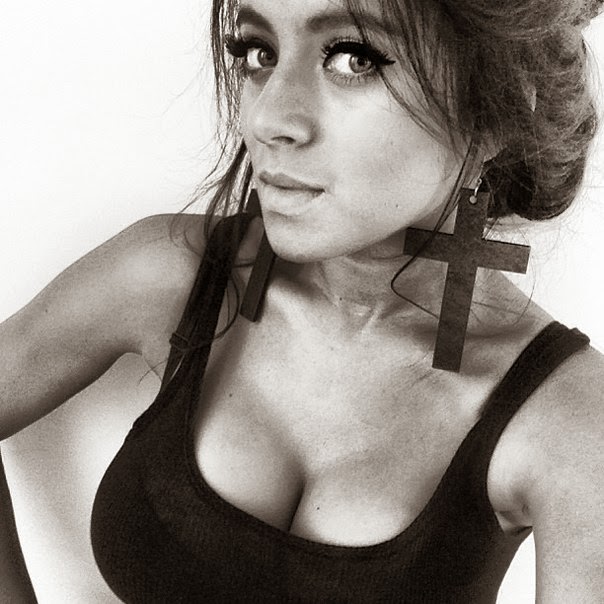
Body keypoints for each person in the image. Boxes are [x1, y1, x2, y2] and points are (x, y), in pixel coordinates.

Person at [2, 0, 604, 601]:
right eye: (258, 53)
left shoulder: (568, 419)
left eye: (354, 58)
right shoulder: (170, 274)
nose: (268, 119)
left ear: (495, 111)